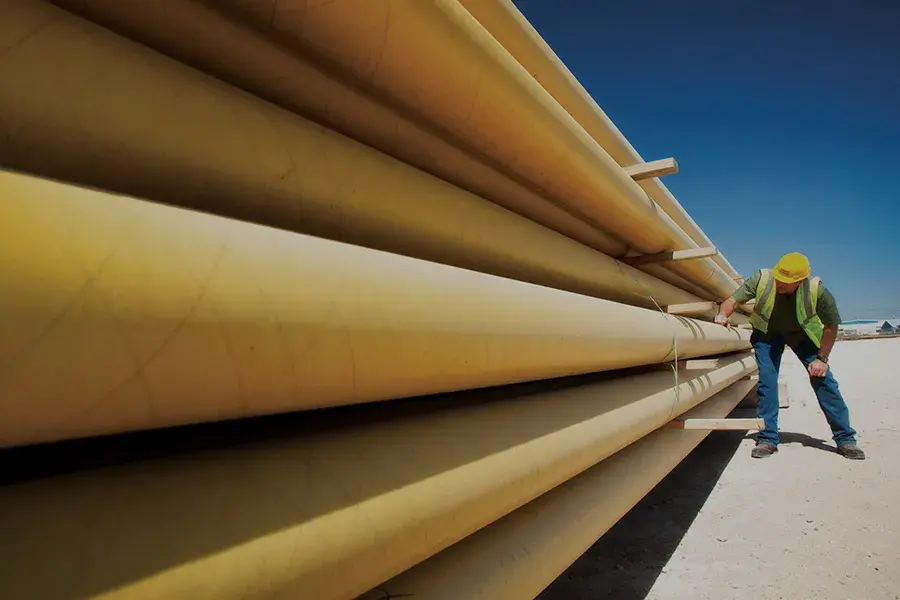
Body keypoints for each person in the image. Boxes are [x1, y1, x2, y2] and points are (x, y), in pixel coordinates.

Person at [714, 252, 864, 460]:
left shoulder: (817, 291)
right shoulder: (763, 278)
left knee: (824, 381)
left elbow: (831, 326)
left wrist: (822, 359)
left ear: (800, 281)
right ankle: (767, 438)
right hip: (767, 335)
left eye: (785, 282)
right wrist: (722, 315)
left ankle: (846, 438)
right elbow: (732, 300)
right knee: (767, 382)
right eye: (779, 278)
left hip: (802, 335)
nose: (779, 283)